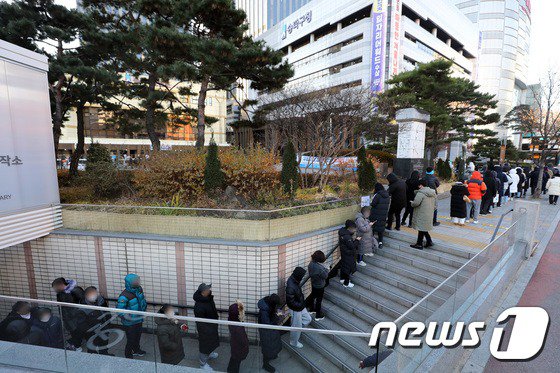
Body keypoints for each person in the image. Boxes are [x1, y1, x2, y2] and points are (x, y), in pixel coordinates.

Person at [117, 273, 147, 359]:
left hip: (139, 319)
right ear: (129, 283)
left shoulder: (139, 289)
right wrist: (129, 318)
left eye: (137, 280)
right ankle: (128, 356)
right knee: (130, 340)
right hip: (130, 323)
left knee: (137, 337)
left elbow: (142, 300)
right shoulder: (124, 296)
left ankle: (136, 350)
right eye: (135, 281)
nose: (137, 282)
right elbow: (119, 311)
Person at [51, 277, 85, 350]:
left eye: (55, 288)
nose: (55, 290)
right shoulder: (61, 293)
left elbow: (79, 304)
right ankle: (77, 343)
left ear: (60, 285)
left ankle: (78, 346)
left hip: (74, 317)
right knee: (73, 331)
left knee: (75, 331)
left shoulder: (72, 292)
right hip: (69, 317)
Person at [193, 283, 220, 370]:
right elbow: (200, 322)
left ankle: (210, 353)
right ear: (202, 292)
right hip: (205, 328)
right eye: (207, 289)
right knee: (204, 346)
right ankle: (202, 364)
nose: (209, 290)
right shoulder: (199, 305)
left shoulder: (208, 298)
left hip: (212, 325)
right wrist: (206, 330)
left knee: (211, 342)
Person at [81, 286, 111, 354]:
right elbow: (83, 325)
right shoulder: (83, 307)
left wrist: (107, 324)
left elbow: (106, 312)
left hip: (103, 329)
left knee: (104, 347)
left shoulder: (100, 300)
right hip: (92, 333)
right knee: (92, 350)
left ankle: (105, 357)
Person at [286, 267, 311, 348]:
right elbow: (290, 302)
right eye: (302, 275)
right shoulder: (291, 286)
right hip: (296, 309)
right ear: (298, 275)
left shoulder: (295, 281)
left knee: (308, 319)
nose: (303, 277)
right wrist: (301, 305)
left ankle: (297, 329)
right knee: (296, 326)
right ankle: (293, 342)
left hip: (300, 306)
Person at [257, 294, 282, 373]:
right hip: (266, 330)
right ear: (273, 303)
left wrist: (279, 314)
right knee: (267, 346)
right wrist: (277, 319)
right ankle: (265, 364)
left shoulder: (269, 302)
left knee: (274, 342)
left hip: (271, 328)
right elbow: (266, 324)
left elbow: (274, 311)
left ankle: (272, 355)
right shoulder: (265, 310)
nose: (276, 307)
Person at [410, 180, 436, 250]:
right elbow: (435, 205)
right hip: (429, 214)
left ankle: (419, 244)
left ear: (421, 185)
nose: (418, 187)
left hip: (421, 213)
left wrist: (412, 202)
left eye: (419, 185)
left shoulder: (420, 193)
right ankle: (429, 241)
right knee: (423, 228)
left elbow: (416, 203)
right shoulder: (433, 192)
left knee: (421, 227)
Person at [306, 250, 329, 321]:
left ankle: (311, 309)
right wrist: (327, 269)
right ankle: (318, 315)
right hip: (320, 286)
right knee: (319, 300)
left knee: (313, 296)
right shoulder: (320, 268)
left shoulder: (311, 264)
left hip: (314, 283)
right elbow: (325, 276)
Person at [227, 301, 249, 373]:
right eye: (242, 312)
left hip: (235, 346)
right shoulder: (238, 328)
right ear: (238, 315)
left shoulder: (231, 320)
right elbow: (243, 341)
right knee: (236, 363)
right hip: (239, 349)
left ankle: (229, 369)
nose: (243, 313)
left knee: (233, 359)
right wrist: (246, 345)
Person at [339, 220, 360, 288]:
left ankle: (342, 279)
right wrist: (357, 240)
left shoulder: (342, 233)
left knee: (344, 267)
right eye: (354, 229)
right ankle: (346, 283)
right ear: (349, 228)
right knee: (348, 269)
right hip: (349, 255)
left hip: (344, 254)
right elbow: (352, 246)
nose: (355, 230)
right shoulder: (347, 237)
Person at [369, 183, 390, 248]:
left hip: (375, 215)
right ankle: (380, 243)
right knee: (381, 229)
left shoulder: (378, 195)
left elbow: (373, 204)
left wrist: (370, 202)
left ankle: (371, 243)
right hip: (383, 215)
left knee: (373, 228)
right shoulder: (387, 195)